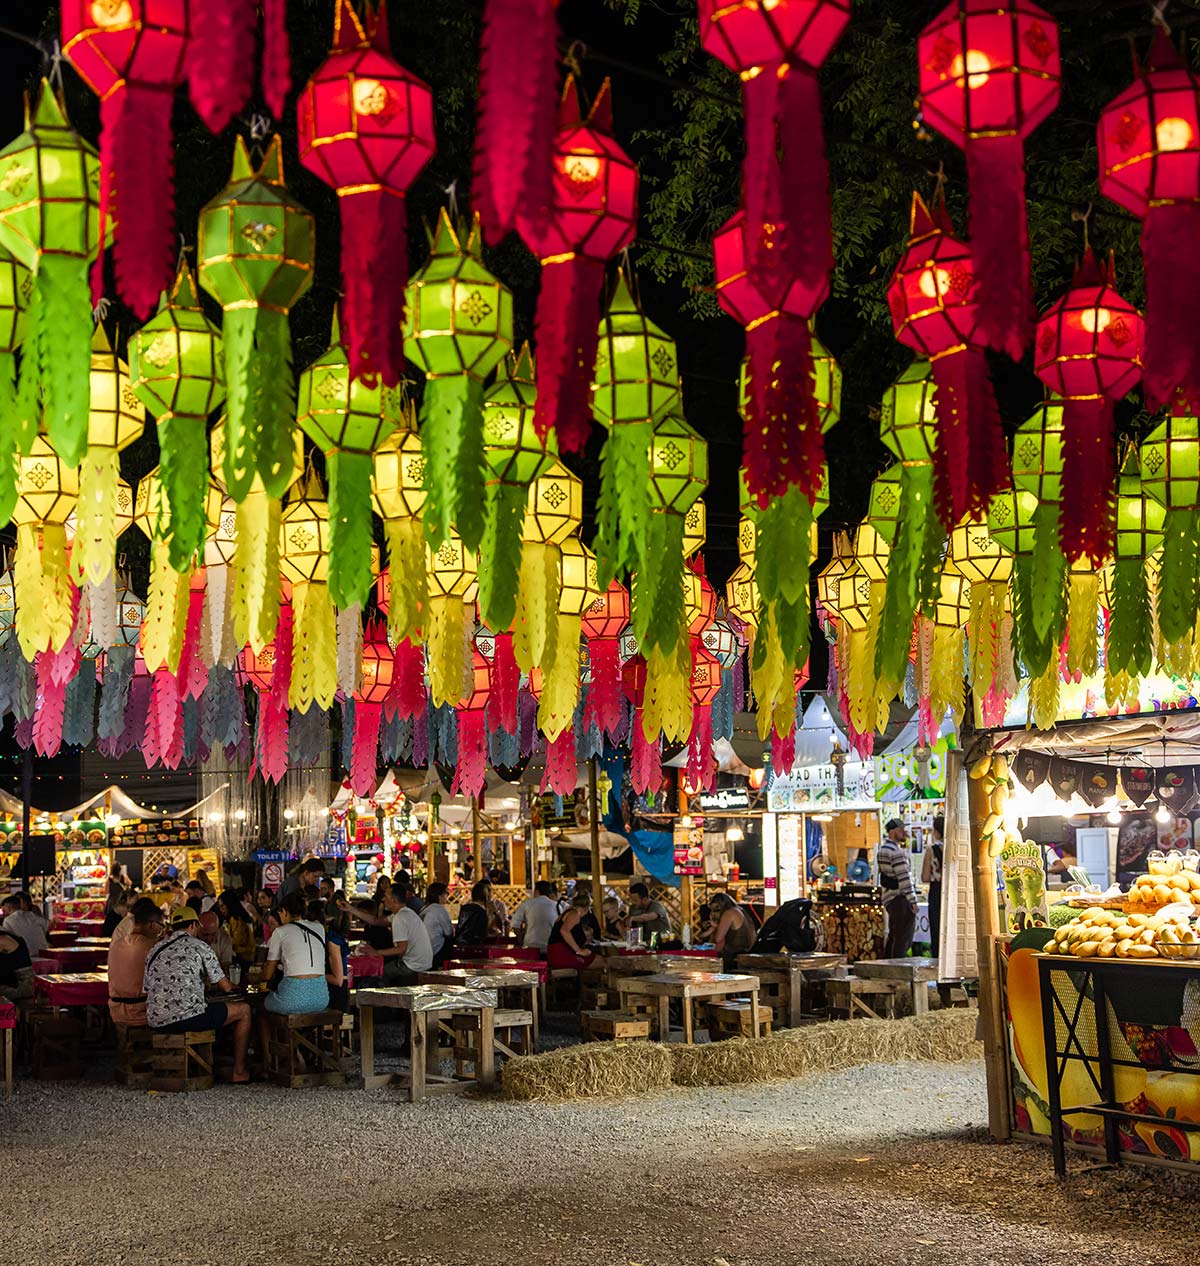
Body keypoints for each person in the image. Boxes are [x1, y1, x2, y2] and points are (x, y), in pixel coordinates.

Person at [143, 906, 250, 1082]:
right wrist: (237, 986)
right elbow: (225, 987)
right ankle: (239, 1071)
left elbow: (147, 988)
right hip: (190, 1017)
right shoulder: (200, 946)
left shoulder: (154, 950)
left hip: (157, 1020)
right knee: (244, 1010)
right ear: (194, 925)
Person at [261, 892, 341, 1014]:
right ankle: (298, 1034)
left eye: (280, 913)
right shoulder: (319, 927)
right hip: (321, 998)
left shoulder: (280, 932)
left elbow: (267, 975)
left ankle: (281, 1034)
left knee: (261, 1006)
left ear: (284, 911)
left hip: (291, 1000)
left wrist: (254, 978)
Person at [107, 897, 164, 1027]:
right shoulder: (153, 947)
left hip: (116, 1010)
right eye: (161, 926)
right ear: (153, 925)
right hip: (143, 1012)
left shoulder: (116, 944)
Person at [879, 818, 919, 959]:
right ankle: (897, 970)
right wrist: (913, 901)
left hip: (890, 899)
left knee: (893, 936)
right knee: (903, 939)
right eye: (901, 830)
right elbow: (904, 878)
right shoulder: (896, 852)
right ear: (892, 832)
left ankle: (887, 968)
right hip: (900, 899)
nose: (904, 832)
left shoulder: (883, 850)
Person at [312, 899, 350, 1011]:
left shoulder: (332, 941)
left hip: (335, 996)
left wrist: (313, 974)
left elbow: (338, 980)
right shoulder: (330, 937)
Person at [546, 892, 596, 970]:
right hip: (561, 954)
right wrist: (579, 950)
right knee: (603, 961)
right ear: (586, 909)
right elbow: (564, 931)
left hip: (554, 954)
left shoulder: (566, 913)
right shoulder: (574, 914)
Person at [709, 891, 757, 971]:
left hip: (735, 955)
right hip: (748, 952)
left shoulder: (728, 913)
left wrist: (715, 928)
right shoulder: (740, 910)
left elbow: (718, 938)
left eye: (716, 909)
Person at [921, 814, 945, 958]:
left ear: (936, 832)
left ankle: (938, 964)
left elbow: (924, 877)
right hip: (951, 891)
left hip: (936, 891)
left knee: (937, 930)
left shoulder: (931, 850)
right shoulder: (954, 847)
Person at [511, 881, 558, 953]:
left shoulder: (526, 904)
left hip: (530, 947)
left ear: (536, 891)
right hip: (551, 947)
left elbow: (515, 925)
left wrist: (521, 940)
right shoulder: (557, 906)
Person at [216, 890, 258, 968]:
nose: (221, 909)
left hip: (242, 960)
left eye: (222, 906)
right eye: (219, 907)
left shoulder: (237, 921)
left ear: (230, 904)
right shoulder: (239, 918)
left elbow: (236, 943)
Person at [420, 882, 455, 967]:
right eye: (445, 894)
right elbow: (449, 932)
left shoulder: (425, 908)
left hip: (423, 949)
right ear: (440, 896)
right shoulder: (439, 909)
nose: (446, 896)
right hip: (436, 949)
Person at [455, 880, 492, 946]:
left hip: (460, 942)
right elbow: (483, 932)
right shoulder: (481, 911)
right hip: (474, 944)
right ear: (485, 896)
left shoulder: (464, 908)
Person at [198, 911, 234, 975]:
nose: (209, 939)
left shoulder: (224, 938)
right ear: (197, 929)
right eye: (205, 935)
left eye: (213, 934)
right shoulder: (189, 939)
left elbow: (226, 966)